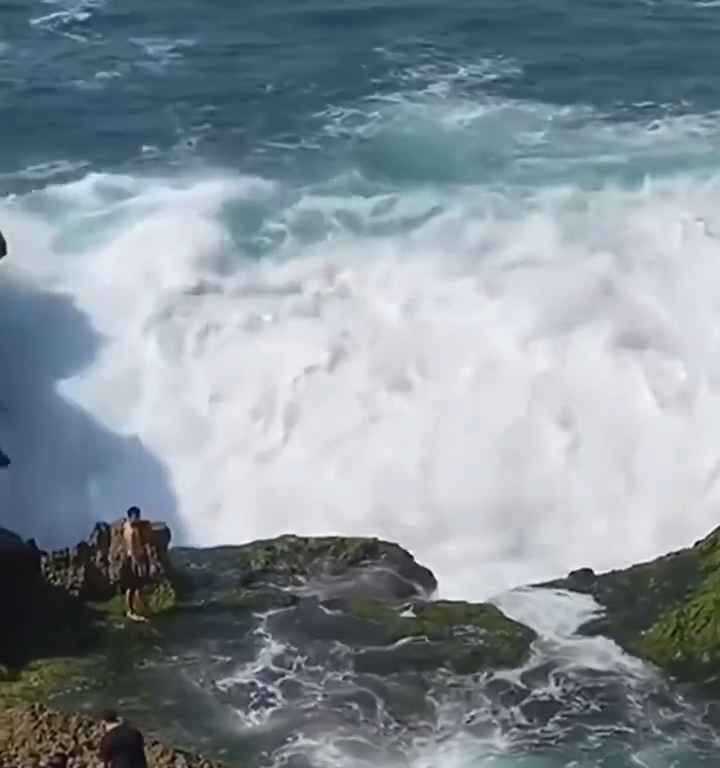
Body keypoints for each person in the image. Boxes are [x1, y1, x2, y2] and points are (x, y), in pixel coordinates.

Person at [121, 506, 151, 622]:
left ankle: (138, 609)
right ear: (130, 517)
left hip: (131, 558)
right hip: (134, 559)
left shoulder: (127, 525)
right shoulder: (132, 532)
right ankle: (133, 611)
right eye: (136, 517)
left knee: (133, 587)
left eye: (139, 516)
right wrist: (140, 565)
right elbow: (133, 551)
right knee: (135, 587)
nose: (138, 519)